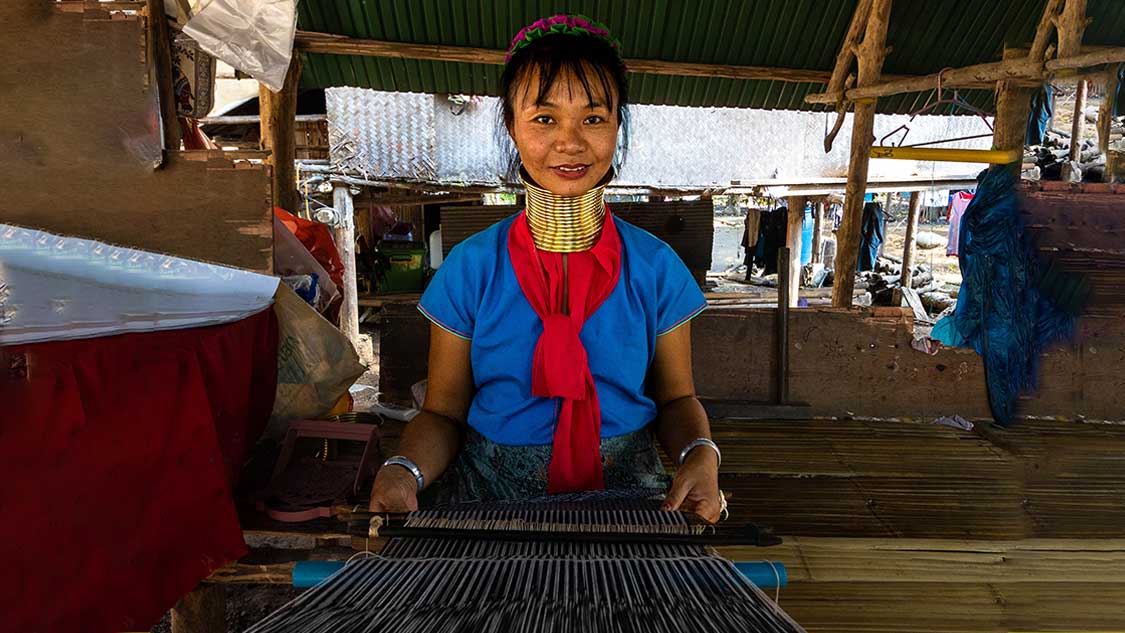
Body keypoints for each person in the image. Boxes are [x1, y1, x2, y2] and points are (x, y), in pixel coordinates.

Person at [368, 14, 723, 522]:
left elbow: (677, 401)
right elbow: (444, 413)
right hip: (489, 498)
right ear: (511, 125)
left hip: (629, 497)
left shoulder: (655, 268)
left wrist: (700, 454)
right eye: (544, 118)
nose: (570, 142)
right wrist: (403, 470)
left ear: (618, 126)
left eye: (594, 118)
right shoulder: (472, 268)